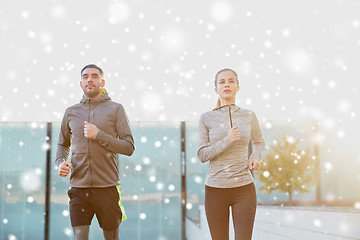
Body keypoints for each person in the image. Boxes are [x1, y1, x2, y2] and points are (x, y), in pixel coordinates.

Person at [55, 64, 135, 240]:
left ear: (102, 81)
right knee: (79, 236)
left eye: (94, 76)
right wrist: (60, 163)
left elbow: (128, 147)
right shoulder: (71, 112)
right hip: (78, 189)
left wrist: (99, 135)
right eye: (85, 76)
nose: (89, 79)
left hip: (107, 188)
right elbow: (62, 145)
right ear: (81, 83)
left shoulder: (116, 109)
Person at [197, 68, 265, 240]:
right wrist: (227, 141)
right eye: (222, 82)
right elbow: (202, 155)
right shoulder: (206, 118)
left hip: (244, 189)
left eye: (231, 81)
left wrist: (255, 157)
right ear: (216, 89)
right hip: (215, 190)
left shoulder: (249, 115)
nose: (227, 84)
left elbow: (259, 142)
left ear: (237, 87)